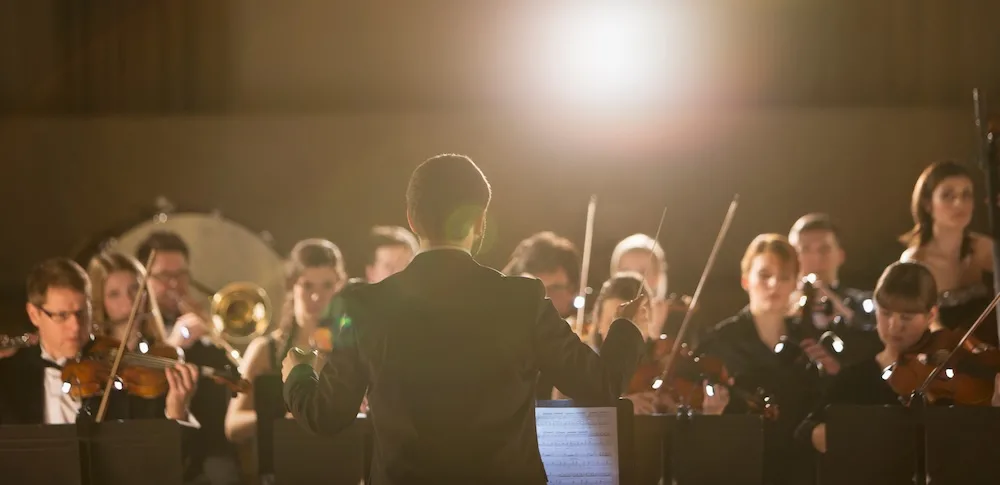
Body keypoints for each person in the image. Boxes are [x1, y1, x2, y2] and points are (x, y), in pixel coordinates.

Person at [282, 153, 647, 485]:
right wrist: (628, 326)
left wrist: (296, 372)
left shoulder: (362, 305)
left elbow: (327, 415)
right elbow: (601, 383)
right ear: (480, 221)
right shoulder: (523, 300)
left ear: (411, 218)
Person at [797, 261, 1000, 455]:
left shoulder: (949, 373)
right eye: (885, 314)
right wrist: (857, 436)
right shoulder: (856, 377)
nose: (894, 327)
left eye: (906, 317)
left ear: (931, 315)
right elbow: (806, 432)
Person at [698, 234, 841, 485]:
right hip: (741, 467)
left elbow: (824, 407)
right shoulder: (720, 341)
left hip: (801, 469)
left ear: (795, 283)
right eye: (764, 275)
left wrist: (832, 373)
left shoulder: (809, 339)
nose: (774, 284)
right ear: (746, 280)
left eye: (784, 277)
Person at [0, 257, 198, 427]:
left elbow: (159, 454)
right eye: (62, 316)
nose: (75, 326)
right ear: (34, 314)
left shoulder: (117, 371)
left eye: (81, 313)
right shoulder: (8, 376)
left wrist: (176, 412)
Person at [224, 238, 346, 479]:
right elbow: (233, 425)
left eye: (326, 286)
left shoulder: (348, 349)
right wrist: (284, 417)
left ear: (339, 286)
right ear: (291, 286)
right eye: (307, 286)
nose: (316, 297)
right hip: (281, 472)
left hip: (337, 468)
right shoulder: (263, 350)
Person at [136, 231, 242, 485]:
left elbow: (236, 379)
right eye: (164, 276)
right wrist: (172, 346)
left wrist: (213, 336)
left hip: (208, 443)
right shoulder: (136, 328)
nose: (175, 284)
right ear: (144, 280)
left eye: (181, 275)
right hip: (156, 442)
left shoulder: (199, 332)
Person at [900, 160, 999, 346]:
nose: (959, 203)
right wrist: (959, 344)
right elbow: (923, 323)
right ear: (928, 204)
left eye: (966, 195)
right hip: (943, 353)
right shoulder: (915, 260)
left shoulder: (984, 247)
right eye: (948, 195)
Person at [788, 213, 880, 366]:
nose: (815, 258)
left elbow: (873, 340)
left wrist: (838, 306)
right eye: (804, 250)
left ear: (841, 255)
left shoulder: (862, 301)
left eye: (824, 249)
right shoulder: (781, 304)